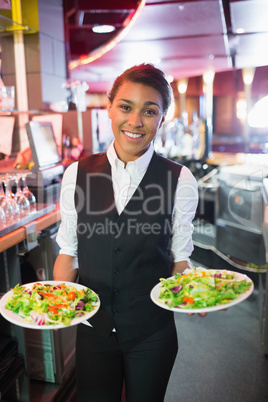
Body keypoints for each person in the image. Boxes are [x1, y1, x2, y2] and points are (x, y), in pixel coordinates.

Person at [53, 63, 199, 402]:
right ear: (108, 107)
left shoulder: (181, 180)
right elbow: (68, 252)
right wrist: (57, 302)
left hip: (152, 332)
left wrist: (197, 294)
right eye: (125, 107)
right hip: (94, 329)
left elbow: (180, 259)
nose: (135, 121)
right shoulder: (76, 174)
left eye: (149, 111)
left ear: (162, 118)